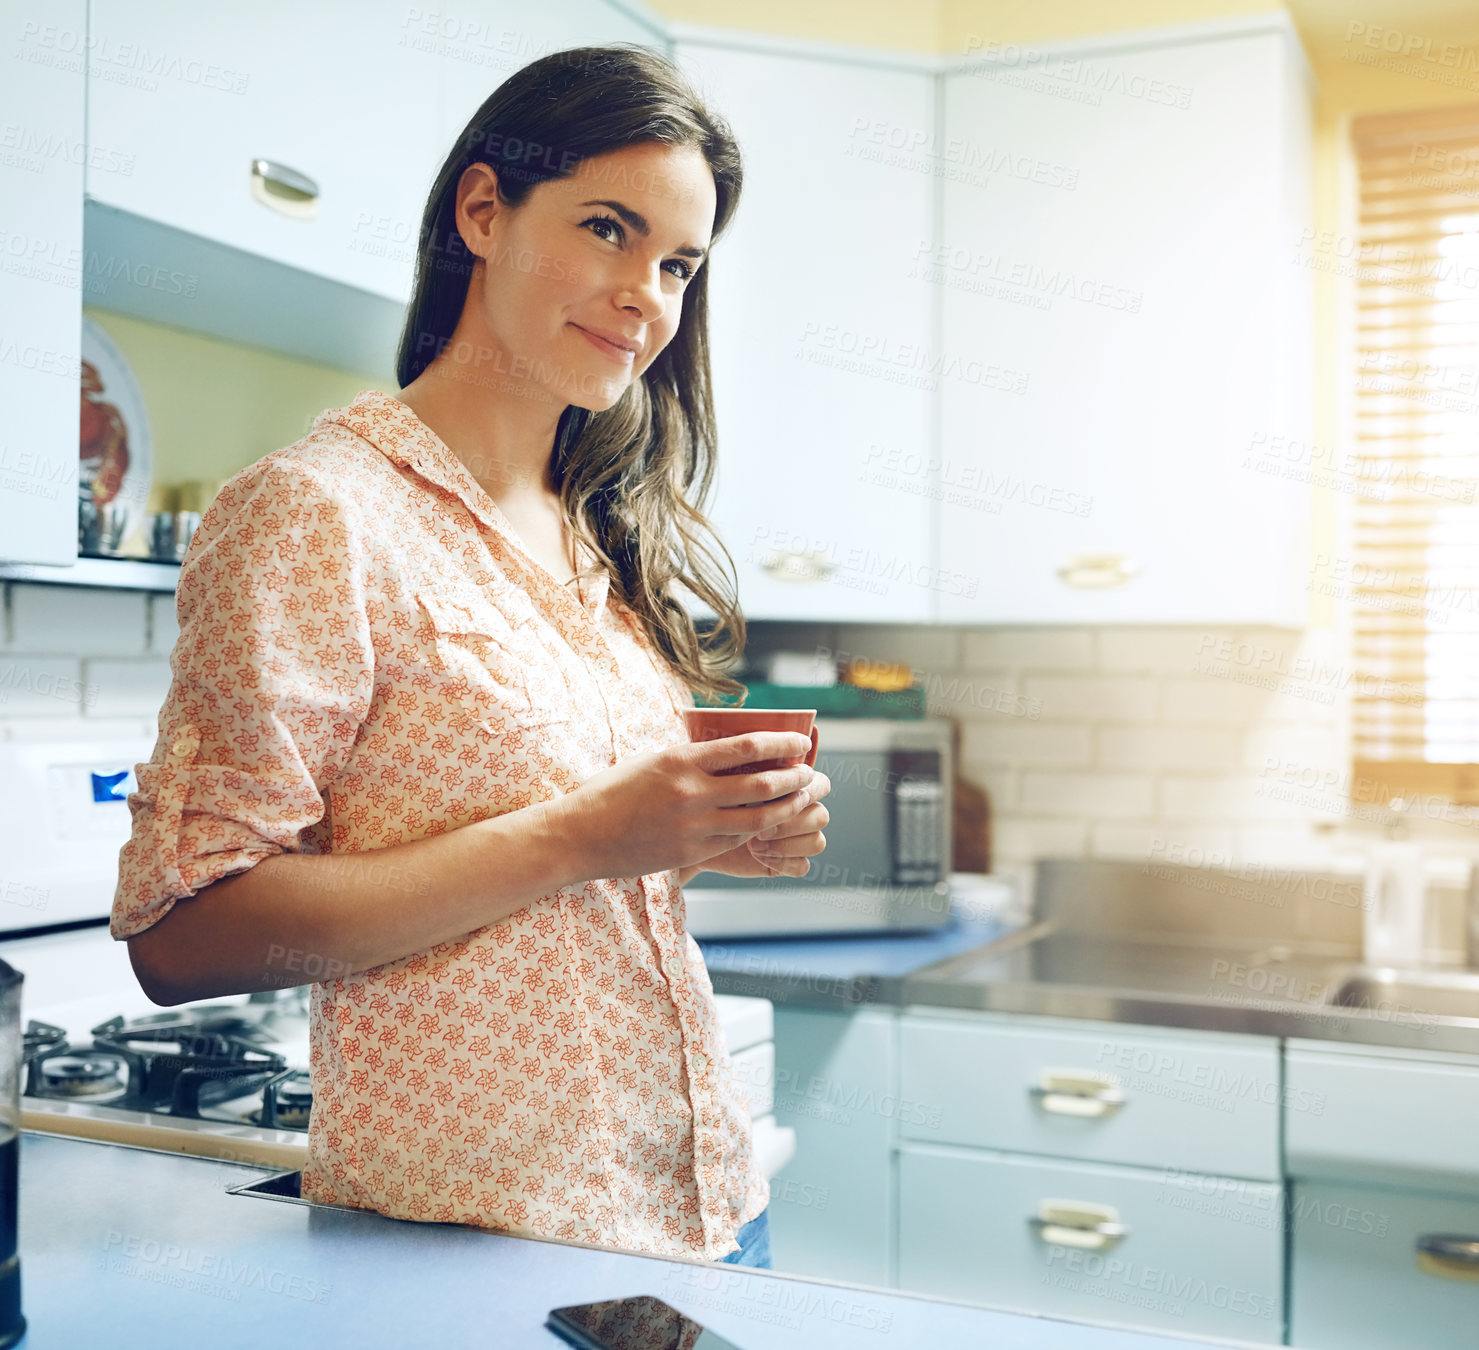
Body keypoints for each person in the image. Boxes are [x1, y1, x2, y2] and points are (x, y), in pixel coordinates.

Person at [111, 44, 830, 1270]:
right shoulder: (316, 514)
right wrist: (591, 834)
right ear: (482, 211)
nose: (647, 296)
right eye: (609, 229)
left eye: (677, 263)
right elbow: (182, 939)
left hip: (704, 1210)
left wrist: (693, 835)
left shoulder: (594, 530)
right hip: (482, 1246)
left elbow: (553, 883)